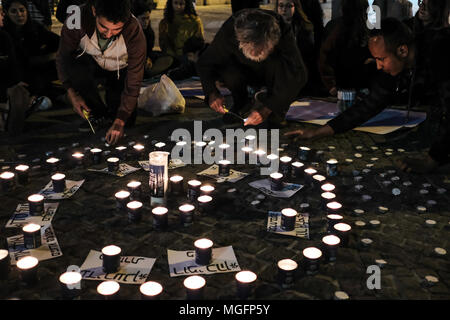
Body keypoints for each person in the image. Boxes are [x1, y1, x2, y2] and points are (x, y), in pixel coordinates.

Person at [285, 18, 450, 174]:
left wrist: (432, 160)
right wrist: (318, 132)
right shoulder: (398, 64)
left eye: (381, 59)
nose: (378, 66)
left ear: (402, 50)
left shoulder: (439, 52)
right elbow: (370, 104)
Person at [197, 8, 307, 127]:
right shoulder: (229, 32)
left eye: (261, 49)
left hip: (271, 71)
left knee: (282, 67)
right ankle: (241, 103)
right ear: (241, 40)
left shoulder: (282, 32)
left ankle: (276, 110)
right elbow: (205, 62)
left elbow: (298, 74)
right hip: (243, 69)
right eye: (251, 47)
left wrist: (268, 108)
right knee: (226, 65)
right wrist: (212, 92)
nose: (255, 54)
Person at [56, 0, 146, 145]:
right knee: (75, 67)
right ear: (94, 11)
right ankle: (97, 114)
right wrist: (72, 93)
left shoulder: (133, 30)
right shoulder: (76, 19)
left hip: (120, 69)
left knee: (126, 122)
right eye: (104, 27)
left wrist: (120, 119)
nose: (109, 34)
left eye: (116, 30)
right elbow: (63, 57)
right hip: (92, 62)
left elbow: (134, 80)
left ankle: (112, 114)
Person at [2, 0, 59, 100]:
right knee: (35, 82)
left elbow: (56, 40)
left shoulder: (34, 27)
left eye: (22, 10)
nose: (19, 14)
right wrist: (50, 56)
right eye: (14, 11)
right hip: (19, 73)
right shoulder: (5, 34)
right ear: (6, 13)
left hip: (39, 67)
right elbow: (21, 61)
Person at [319, 0, 376, 97]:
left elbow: (324, 58)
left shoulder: (335, 27)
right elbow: (324, 57)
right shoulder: (338, 29)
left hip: (347, 87)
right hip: (346, 87)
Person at [276, 0, 325, 96]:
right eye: (281, 6)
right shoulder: (273, 28)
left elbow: (307, 56)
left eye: (289, 6)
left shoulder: (304, 29)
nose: (284, 10)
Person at [158, 0, 204, 70]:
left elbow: (200, 41)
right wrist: (174, 56)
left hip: (188, 56)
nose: (178, 6)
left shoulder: (194, 21)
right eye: (175, 3)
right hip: (171, 56)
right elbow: (164, 44)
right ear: (171, 4)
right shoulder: (165, 22)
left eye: (181, 4)